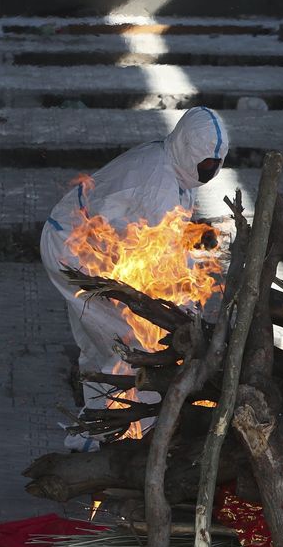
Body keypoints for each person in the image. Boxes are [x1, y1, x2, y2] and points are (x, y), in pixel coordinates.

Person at [40, 106, 230, 451]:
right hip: (74, 252)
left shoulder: (170, 164)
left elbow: (162, 244)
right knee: (130, 343)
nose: (210, 173)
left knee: (103, 344)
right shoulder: (156, 180)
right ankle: (125, 436)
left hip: (83, 250)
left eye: (215, 166)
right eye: (206, 165)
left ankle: (94, 433)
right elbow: (144, 253)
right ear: (187, 149)